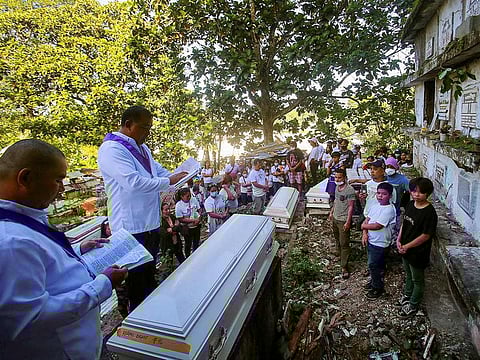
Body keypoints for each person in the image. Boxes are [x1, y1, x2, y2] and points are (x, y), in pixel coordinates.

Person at [0, 139, 127, 360]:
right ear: (26, 178)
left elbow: (43, 263)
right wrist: (103, 285)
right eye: (58, 180)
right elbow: (33, 316)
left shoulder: (23, 216)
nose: (61, 191)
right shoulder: (10, 242)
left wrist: (77, 250)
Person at [97, 105, 186, 312]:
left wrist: (182, 173)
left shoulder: (142, 147)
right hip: (131, 226)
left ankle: (150, 313)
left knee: (148, 275)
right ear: (128, 124)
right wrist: (169, 180)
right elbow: (134, 182)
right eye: (144, 127)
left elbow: (158, 171)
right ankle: (136, 320)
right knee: (136, 281)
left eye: (149, 128)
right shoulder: (112, 149)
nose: (147, 132)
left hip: (151, 222)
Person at [396, 178, 438, 317]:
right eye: (414, 191)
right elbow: (404, 223)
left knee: (417, 280)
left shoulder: (429, 212)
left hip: (418, 252)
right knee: (408, 274)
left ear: (428, 194)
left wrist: (407, 246)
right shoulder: (410, 204)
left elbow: (426, 235)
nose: (416, 195)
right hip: (405, 248)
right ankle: (407, 296)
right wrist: (399, 239)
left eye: (420, 193)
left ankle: (413, 304)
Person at [361, 182, 396, 299]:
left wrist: (363, 227)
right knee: (373, 264)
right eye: (378, 193)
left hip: (381, 243)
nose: (380, 196)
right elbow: (367, 220)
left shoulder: (389, 209)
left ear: (390, 196)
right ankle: (374, 282)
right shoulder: (375, 206)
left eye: (384, 194)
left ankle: (377, 287)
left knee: (374, 265)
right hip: (371, 240)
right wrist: (364, 233)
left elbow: (377, 225)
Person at [328, 169, 356, 279]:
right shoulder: (336, 187)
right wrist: (331, 212)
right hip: (335, 217)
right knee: (337, 239)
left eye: (339, 177)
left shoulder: (349, 190)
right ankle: (340, 256)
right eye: (336, 178)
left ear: (344, 177)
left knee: (344, 243)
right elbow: (335, 201)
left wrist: (348, 221)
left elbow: (351, 207)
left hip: (343, 220)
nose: (337, 180)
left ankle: (344, 266)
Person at [385, 157, 410, 242]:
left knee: (395, 231)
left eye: (391, 167)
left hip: (395, 210)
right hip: (382, 209)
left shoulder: (403, 179)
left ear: (396, 168)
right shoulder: (383, 177)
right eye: (387, 166)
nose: (389, 169)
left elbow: (411, 191)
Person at [175, 187, 201, 257]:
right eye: (187, 196)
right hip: (187, 228)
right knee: (188, 244)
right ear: (182, 196)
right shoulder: (179, 205)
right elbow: (180, 218)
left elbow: (199, 209)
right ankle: (188, 257)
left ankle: (196, 255)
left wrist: (198, 218)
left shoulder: (194, 199)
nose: (189, 197)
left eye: (190, 195)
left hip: (196, 225)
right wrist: (192, 220)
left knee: (196, 242)